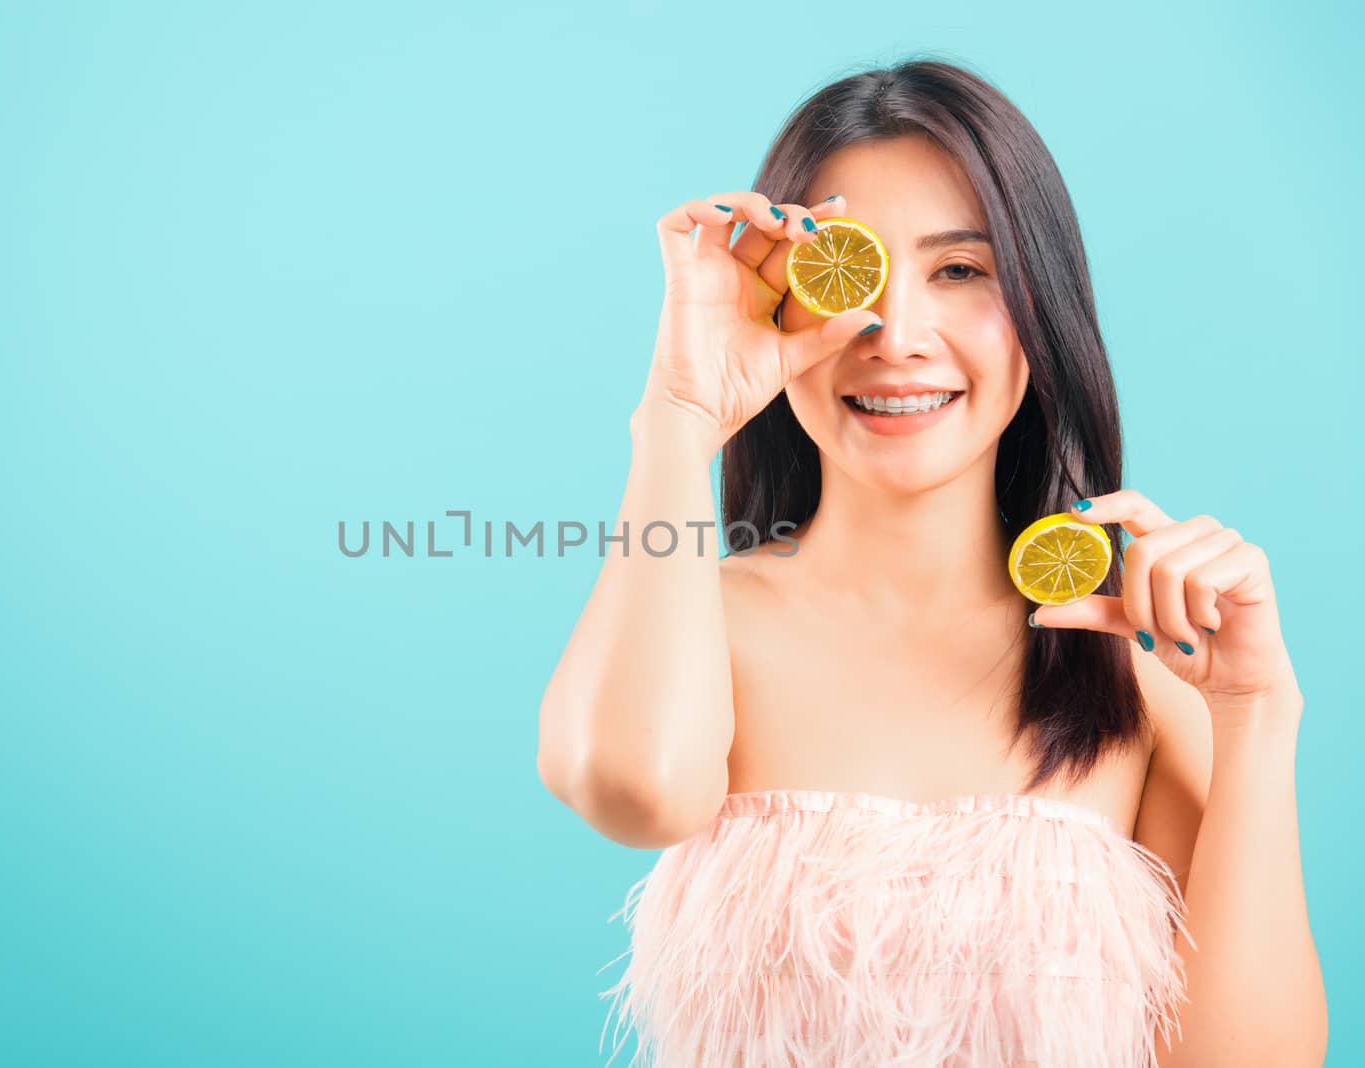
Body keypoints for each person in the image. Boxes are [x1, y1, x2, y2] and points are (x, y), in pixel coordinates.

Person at [535, 59, 1326, 1067]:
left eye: (960, 270)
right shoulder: (699, 623)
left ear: (1043, 310)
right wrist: (677, 418)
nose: (895, 337)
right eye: (851, 270)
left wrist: (1257, 714)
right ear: (779, 296)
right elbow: (629, 791)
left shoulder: (1132, 661)